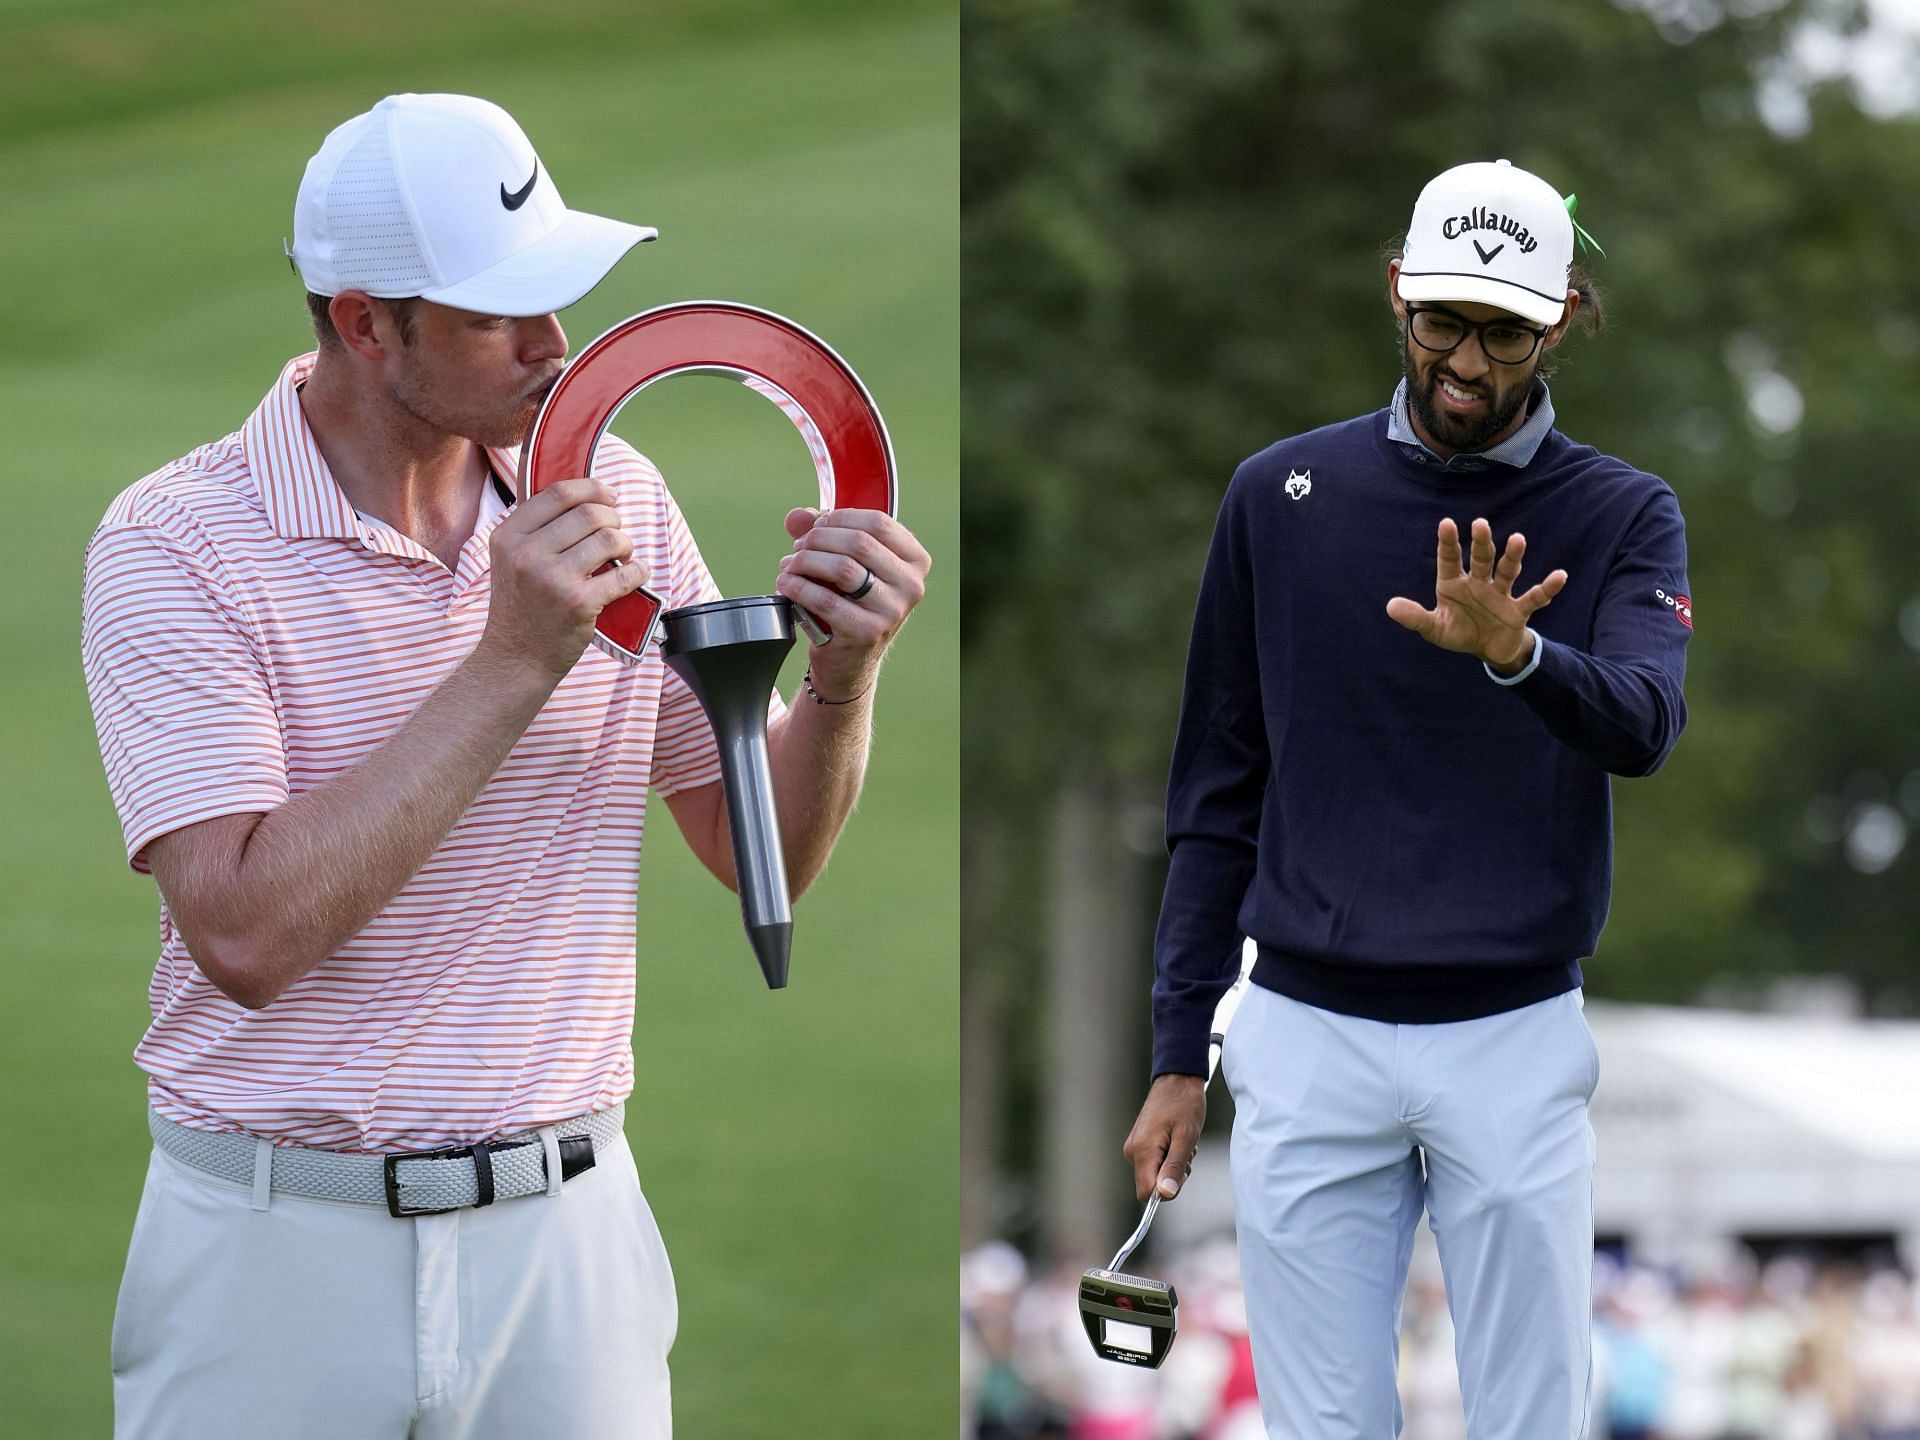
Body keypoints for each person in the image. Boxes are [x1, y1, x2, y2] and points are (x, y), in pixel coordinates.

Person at [80, 92, 929, 1440]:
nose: (555, 345)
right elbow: (240, 931)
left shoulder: (615, 494)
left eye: (560, 296)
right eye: (499, 311)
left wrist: (840, 680)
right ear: (366, 321)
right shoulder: (174, 546)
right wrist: (513, 659)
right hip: (271, 1249)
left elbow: (754, 841)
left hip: (563, 1239)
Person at [1121, 159, 1690, 1440]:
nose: (1470, 363)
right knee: (1319, 1427)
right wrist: (1175, 1052)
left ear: (1560, 321)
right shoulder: (1277, 496)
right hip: (1303, 1027)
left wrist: (1521, 656)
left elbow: (1648, 725)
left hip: (1514, 1027)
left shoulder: (1622, 512)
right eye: (1445, 321)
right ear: (1397, 295)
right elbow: (1219, 793)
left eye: (1503, 331)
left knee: (1530, 1419)